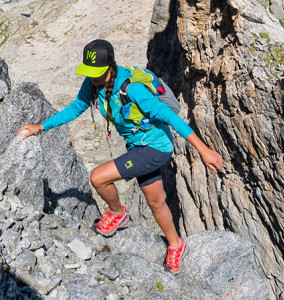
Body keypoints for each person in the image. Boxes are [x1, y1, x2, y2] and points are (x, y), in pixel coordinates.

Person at [15, 39, 224, 274]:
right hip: (137, 146)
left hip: (156, 147)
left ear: (110, 67)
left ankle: (117, 213)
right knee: (155, 202)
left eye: (97, 72)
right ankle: (176, 245)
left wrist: (204, 150)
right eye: (89, 72)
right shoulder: (93, 84)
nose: (92, 77)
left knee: (99, 178)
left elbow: (170, 117)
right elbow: (75, 108)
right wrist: (40, 127)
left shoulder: (133, 88)